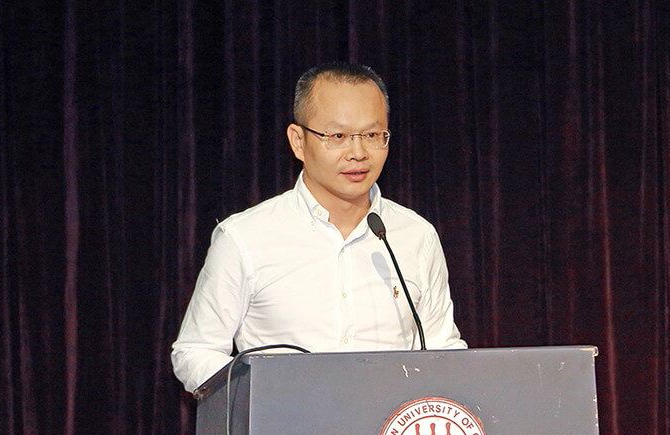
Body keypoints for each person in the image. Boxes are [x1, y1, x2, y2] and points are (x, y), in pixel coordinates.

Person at [171, 63, 466, 393]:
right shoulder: (244, 238)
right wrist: (266, 394)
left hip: (389, 423)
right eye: (337, 137)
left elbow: (443, 350)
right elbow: (195, 352)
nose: (358, 153)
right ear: (298, 141)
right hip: (284, 421)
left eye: (372, 135)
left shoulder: (416, 236)